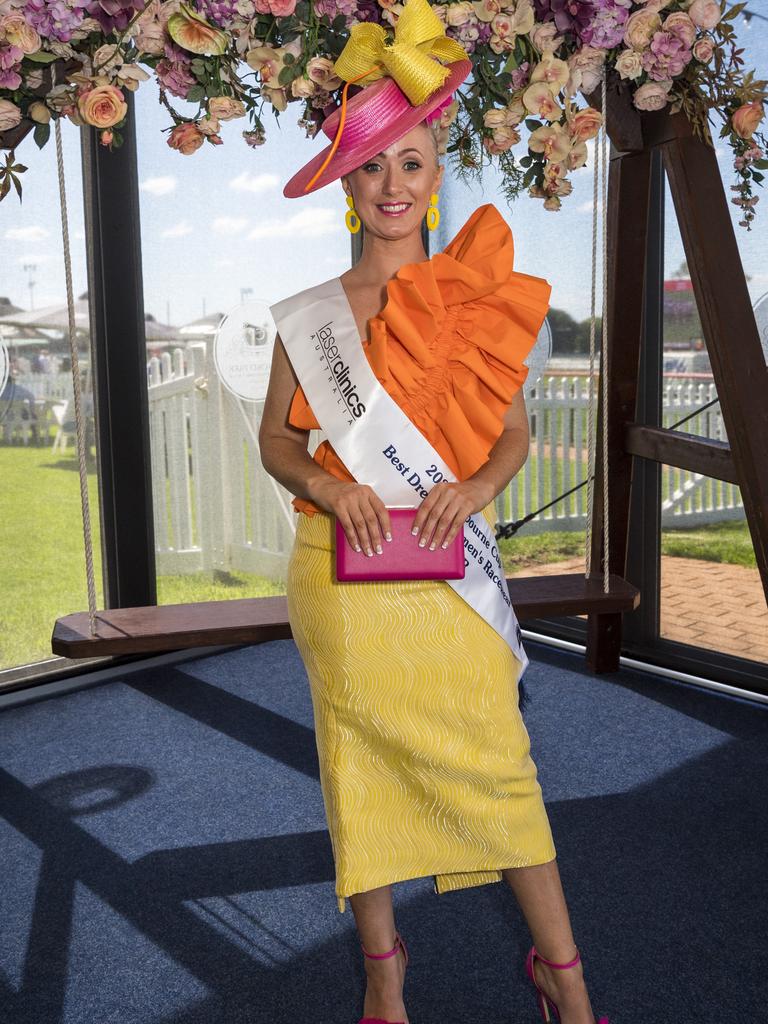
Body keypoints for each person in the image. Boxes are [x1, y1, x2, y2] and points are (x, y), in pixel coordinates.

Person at [259, 3, 610, 1022]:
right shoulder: (312, 315)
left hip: (450, 567)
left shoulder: (471, 299)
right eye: (371, 168)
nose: (392, 188)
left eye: (410, 164)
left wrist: (477, 489)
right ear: (346, 184)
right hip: (342, 571)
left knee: (499, 766)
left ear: (437, 170)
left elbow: (510, 434)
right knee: (355, 762)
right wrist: (329, 484)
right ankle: (383, 971)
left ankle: (565, 973)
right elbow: (278, 444)